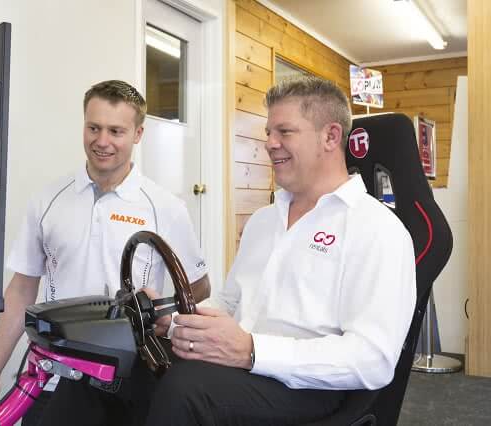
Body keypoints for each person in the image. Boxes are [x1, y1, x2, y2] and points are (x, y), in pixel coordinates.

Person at [139, 75, 417, 425]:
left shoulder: (378, 230)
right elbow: (230, 304)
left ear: (330, 136)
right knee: (133, 366)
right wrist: (176, 317)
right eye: (268, 133)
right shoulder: (262, 221)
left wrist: (252, 351)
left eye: (284, 132)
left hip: (307, 387)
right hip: (240, 369)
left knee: (186, 387)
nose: (269, 144)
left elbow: (372, 360)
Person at [0, 80, 210, 424]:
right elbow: (21, 290)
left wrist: (157, 310)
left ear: (138, 134)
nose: (102, 141)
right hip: (53, 374)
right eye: (93, 128)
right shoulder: (49, 199)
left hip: (128, 381)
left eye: (116, 131)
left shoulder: (165, 207)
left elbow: (199, 287)